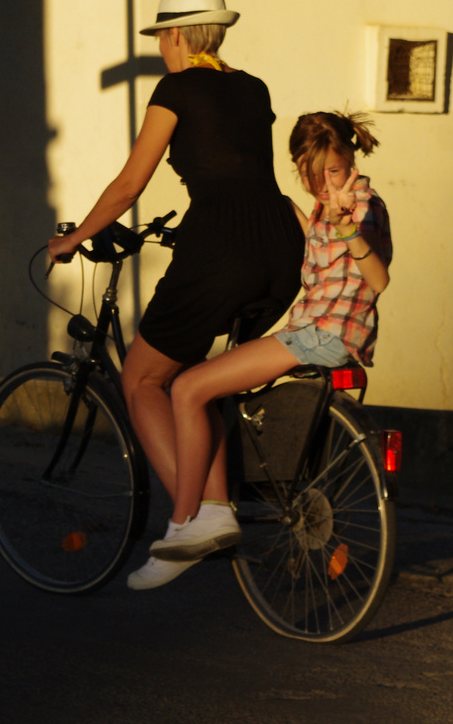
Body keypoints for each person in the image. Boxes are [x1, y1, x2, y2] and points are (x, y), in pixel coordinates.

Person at [47, 0, 304, 590]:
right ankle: (213, 507)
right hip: (278, 251)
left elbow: (130, 183)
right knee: (201, 383)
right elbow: (243, 170)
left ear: (179, 36)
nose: (162, 47)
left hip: (220, 252)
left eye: (163, 36)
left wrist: (74, 236)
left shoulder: (176, 88)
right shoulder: (253, 87)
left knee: (142, 379)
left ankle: (195, 516)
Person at [142, 109, 391, 573]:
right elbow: (301, 238)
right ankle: (218, 507)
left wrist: (348, 229)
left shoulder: (361, 206)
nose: (323, 183)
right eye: (311, 174)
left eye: (333, 171)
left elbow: (377, 278)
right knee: (216, 394)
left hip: (322, 335)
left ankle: (187, 523)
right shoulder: (324, 207)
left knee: (187, 388)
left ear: (351, 160)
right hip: (313, 331)